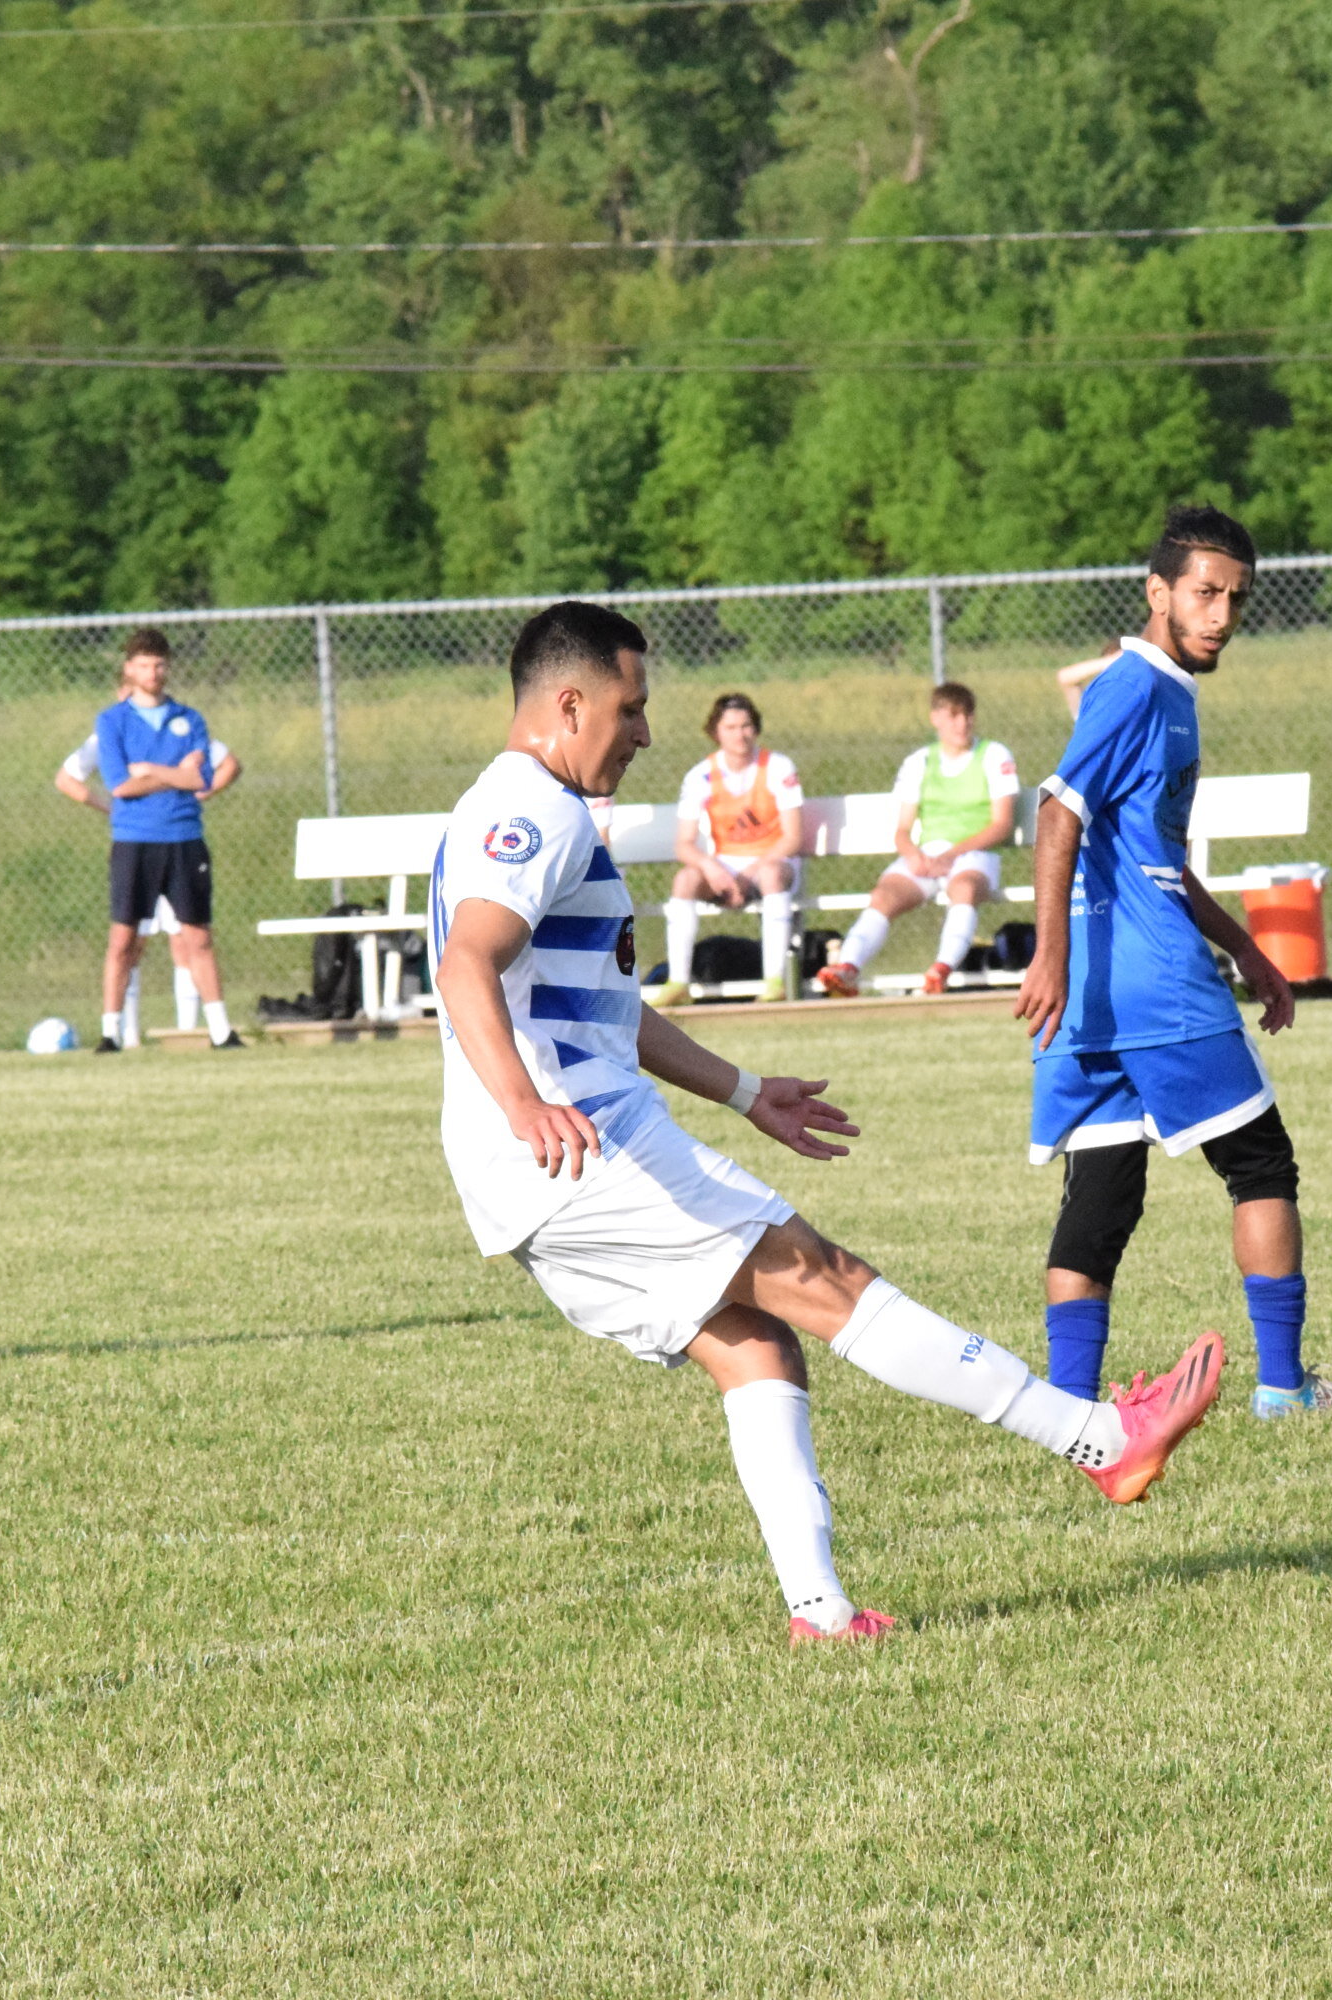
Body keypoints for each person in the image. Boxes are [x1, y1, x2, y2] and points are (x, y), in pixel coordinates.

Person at [434, 601, 1227, 1645]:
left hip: (540, 1156)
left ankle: (821, 1611)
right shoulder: (534, 809)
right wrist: (524, 1101)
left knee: (754, 1345)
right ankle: (1095, 1438)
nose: (642, 732)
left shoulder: (526, 806)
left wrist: (741, 1088)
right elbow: (464, 964)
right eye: (629, 709)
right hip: (573, 1145)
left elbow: (602, 1006)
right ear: (568, 702)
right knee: (820, 1275)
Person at [1016, 505, 1332, 1423]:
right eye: (1204, 594)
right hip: (1150, 986)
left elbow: (1153, 860)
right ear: (1158, 592)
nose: (1220, 615)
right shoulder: (1135, 687)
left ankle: (1069, 1416)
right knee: (1261, 1167)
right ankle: (1285, 1390)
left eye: (1235, 600)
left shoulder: (1166, 690)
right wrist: (1048, 953)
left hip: (1092, 1001)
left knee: (1101, 1194)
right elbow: (1057, 811)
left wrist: (1247, 944)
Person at [59, 662, 239, 1042]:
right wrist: (110, 804)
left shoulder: (183, 721)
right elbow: (90, 780)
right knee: (128, 941)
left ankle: (204, 1030)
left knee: (188, 937)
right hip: (136, 840)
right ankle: (123, 1034)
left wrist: (155, 774)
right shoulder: (110, 730)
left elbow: (219, 768)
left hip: (180, 838)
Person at [814, 683, 1019, 998]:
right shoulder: (920, 761)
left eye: (967, 715)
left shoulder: (993, 755)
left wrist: (952, 854)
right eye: (952, 716)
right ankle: (848, 968)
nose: (961, 724)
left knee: (963, 889)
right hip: (929, 856)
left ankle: (941, 970)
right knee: (884, 895)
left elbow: (1001, 824)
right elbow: (903, 829)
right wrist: (913, 855)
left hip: (975, 852)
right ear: (935, 718)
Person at [656, 693, 807, 1004]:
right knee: (684, 880)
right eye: (731, 727)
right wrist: (714, 869)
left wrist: (749, 873)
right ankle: (678, 982)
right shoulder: (700, 775)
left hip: (772, 861)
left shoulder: (777, 767)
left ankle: (775, 981)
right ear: (716, 731)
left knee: (771, 875)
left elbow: (792, 837)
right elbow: (684, 844)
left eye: (747, 725)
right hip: (726, 864)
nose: (741, 734)